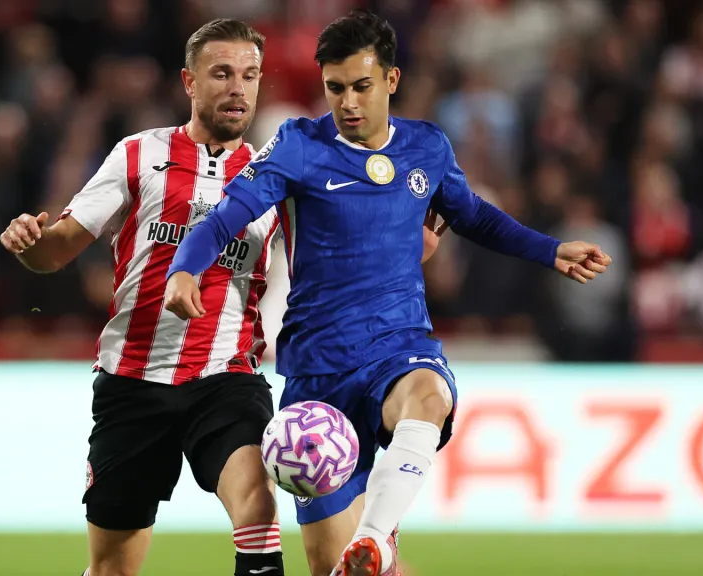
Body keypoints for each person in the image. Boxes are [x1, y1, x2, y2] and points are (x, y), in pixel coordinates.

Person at [163, 10, 612, 576]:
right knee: (336, 569)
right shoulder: (299, 145)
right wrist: (185, 268)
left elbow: (472, 215)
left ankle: (374, 536)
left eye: (361, 86)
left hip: (397, 345)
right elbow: (227, 214)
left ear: (391, 81)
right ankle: (377, 556)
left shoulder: (426, 148)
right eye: (334, 88)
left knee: (428, 395)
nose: (347, 102)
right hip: (318, 370)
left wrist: (549, 250)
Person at [0, 17, 445, 576]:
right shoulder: (139, 155)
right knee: (112, 566)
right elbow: (56, 250)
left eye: (251, 75)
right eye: (223, 74)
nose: (239, 88)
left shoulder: (278, 171)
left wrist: (404, 246)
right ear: (189, 82)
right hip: (132, 384)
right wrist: (28, 242)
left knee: (258, 508)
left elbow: (342, 259)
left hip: (226, 380)